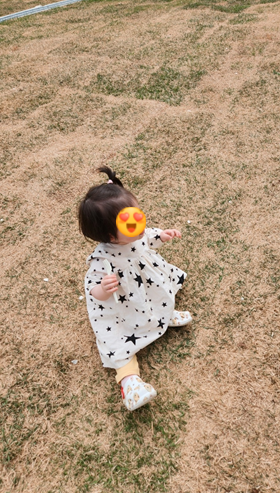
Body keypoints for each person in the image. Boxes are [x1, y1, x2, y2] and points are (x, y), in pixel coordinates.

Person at [78, 166, 192, 411]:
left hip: (148, 289)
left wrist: (162, 235)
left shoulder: (137, 235)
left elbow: (149, 237)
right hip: (124, 306)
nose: (140, 223)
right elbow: (92, 292)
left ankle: (163, 314)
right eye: (131, 223)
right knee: (117, 343)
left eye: (138, 214)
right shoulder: (103, 260)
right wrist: (104, 289)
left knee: (161, 294)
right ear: (110, 235)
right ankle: (130, 383)